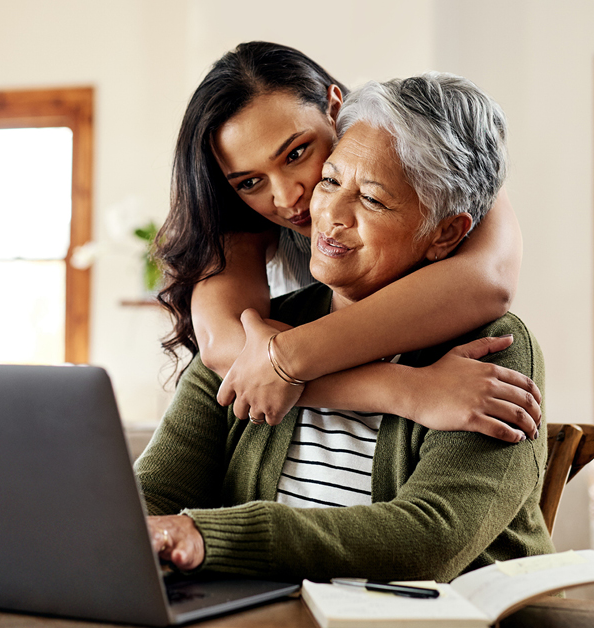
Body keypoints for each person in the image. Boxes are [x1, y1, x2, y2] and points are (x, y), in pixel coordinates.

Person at [136, 74, 554, 582]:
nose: (325, 214)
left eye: (373, 200)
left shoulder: (496, 348)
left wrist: (210, 536)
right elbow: (150, 495)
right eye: (330, 181)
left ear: (445, 234)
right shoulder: (258, 336)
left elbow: (428, 541)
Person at [156, 42, 540, 442]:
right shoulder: (240, 219)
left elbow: (487, 281)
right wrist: (406, 390)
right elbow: (226, 349)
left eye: (296, 153)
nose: (288, 198)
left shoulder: (430, 149)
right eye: (251, 182)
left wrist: (287, 359)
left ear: (334, 108)